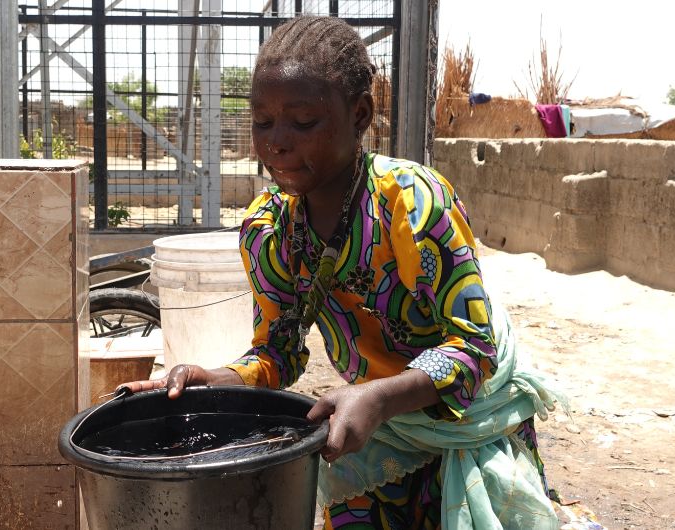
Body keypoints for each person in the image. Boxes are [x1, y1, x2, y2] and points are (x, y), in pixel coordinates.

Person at [122, 15, 561, 530]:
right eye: (263, 122)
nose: (277, 142)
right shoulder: (271, 228)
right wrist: (213, 381)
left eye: (303, 122)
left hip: (466, 420)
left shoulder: (412, 204)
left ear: (360, 115)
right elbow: (276, 355)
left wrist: (376, 396)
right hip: (376, 428)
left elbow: (473, 348)